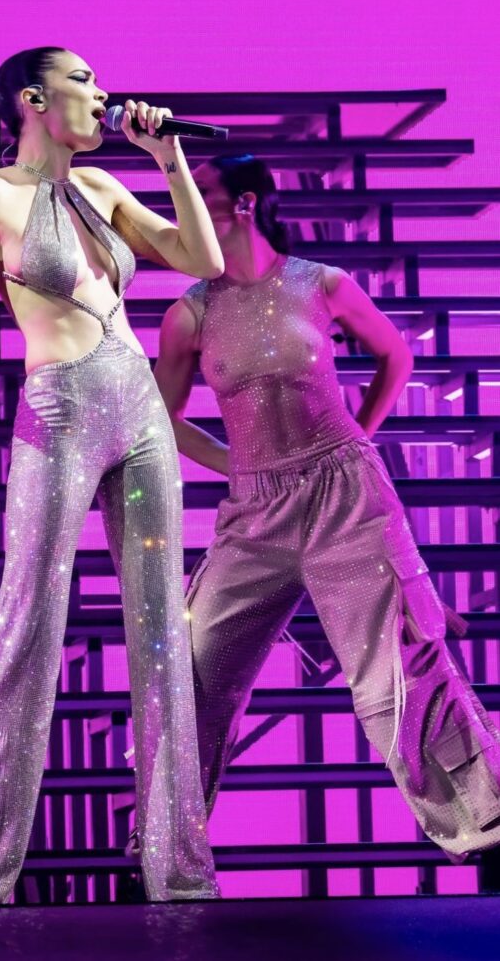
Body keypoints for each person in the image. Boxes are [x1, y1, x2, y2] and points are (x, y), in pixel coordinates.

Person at [0, 46, 224, 905]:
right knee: (28, 621)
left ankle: (178, 868)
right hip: (59, 413)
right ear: (35, 100)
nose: (103, 94)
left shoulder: (105, 187)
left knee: (161, 635)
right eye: (85, 81)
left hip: (139, 409)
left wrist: (168, 156)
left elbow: (203, 259)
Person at [154, 153, 500, 870]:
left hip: (349, 499)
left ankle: (487, 831)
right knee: (193, 673)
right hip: (256, 515)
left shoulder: (322, 283)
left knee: (399, 670)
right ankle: (164, 852)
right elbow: (165, 416)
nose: (186, 204)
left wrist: (358, 442)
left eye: (202, 191)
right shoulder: (190, 313)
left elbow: (394, 355)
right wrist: (236, 465)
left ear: (245, 202)